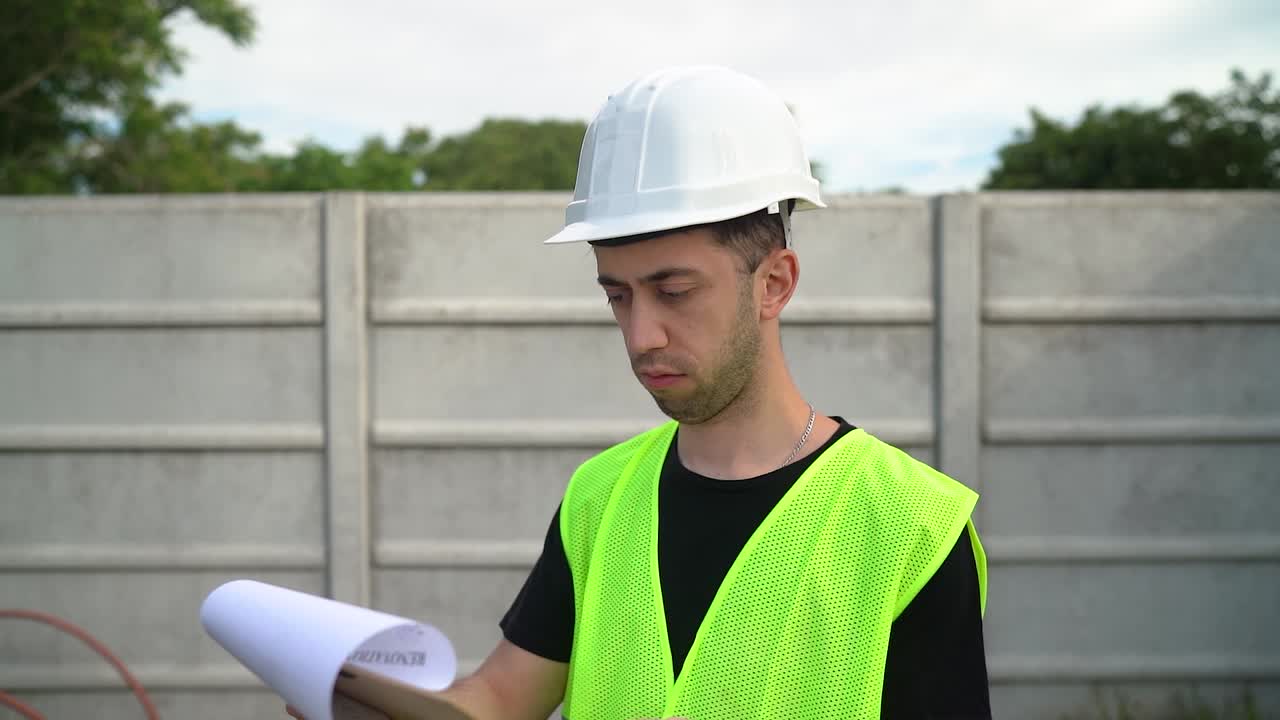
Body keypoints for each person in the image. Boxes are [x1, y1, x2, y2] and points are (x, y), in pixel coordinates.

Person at [295, 65, 990, 720]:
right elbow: (500, 700)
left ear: (774, 282)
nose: (641, 335)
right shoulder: (601, 499)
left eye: (674, 291)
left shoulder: (912, 527)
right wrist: (364, 698)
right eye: (618, 296)